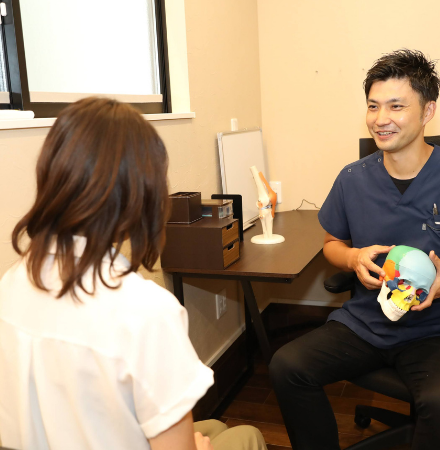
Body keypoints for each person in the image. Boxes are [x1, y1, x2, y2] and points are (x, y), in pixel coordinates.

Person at [269, 49, 440, 450]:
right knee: (287, 367)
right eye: (373, 106)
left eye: (396, 106)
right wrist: (352, 257)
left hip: (437, 330)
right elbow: (332, 243)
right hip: (365, 323)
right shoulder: (352, 179)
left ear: (427, 111)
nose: (380, 118)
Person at [0, 97, 266, 450]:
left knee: (214, 425)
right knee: (248, 436)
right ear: (141, 194)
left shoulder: (11, 283)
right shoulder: (145, 311)